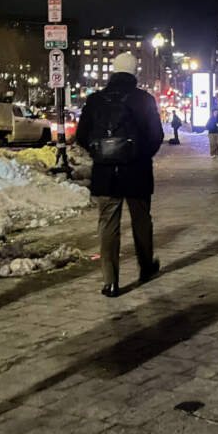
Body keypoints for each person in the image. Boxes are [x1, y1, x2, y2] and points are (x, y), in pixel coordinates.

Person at [76, 52, 164, 298]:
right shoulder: (144, 99)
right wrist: (141, 154)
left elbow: (82, 135)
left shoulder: (95, 100)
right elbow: (156, 135)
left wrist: (101, 154)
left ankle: (110, 281)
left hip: (106, 173)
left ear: (113, 72)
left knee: (108, 225)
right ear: (134, 72)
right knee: (141, 221)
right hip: (137, 171)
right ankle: (146, 267)